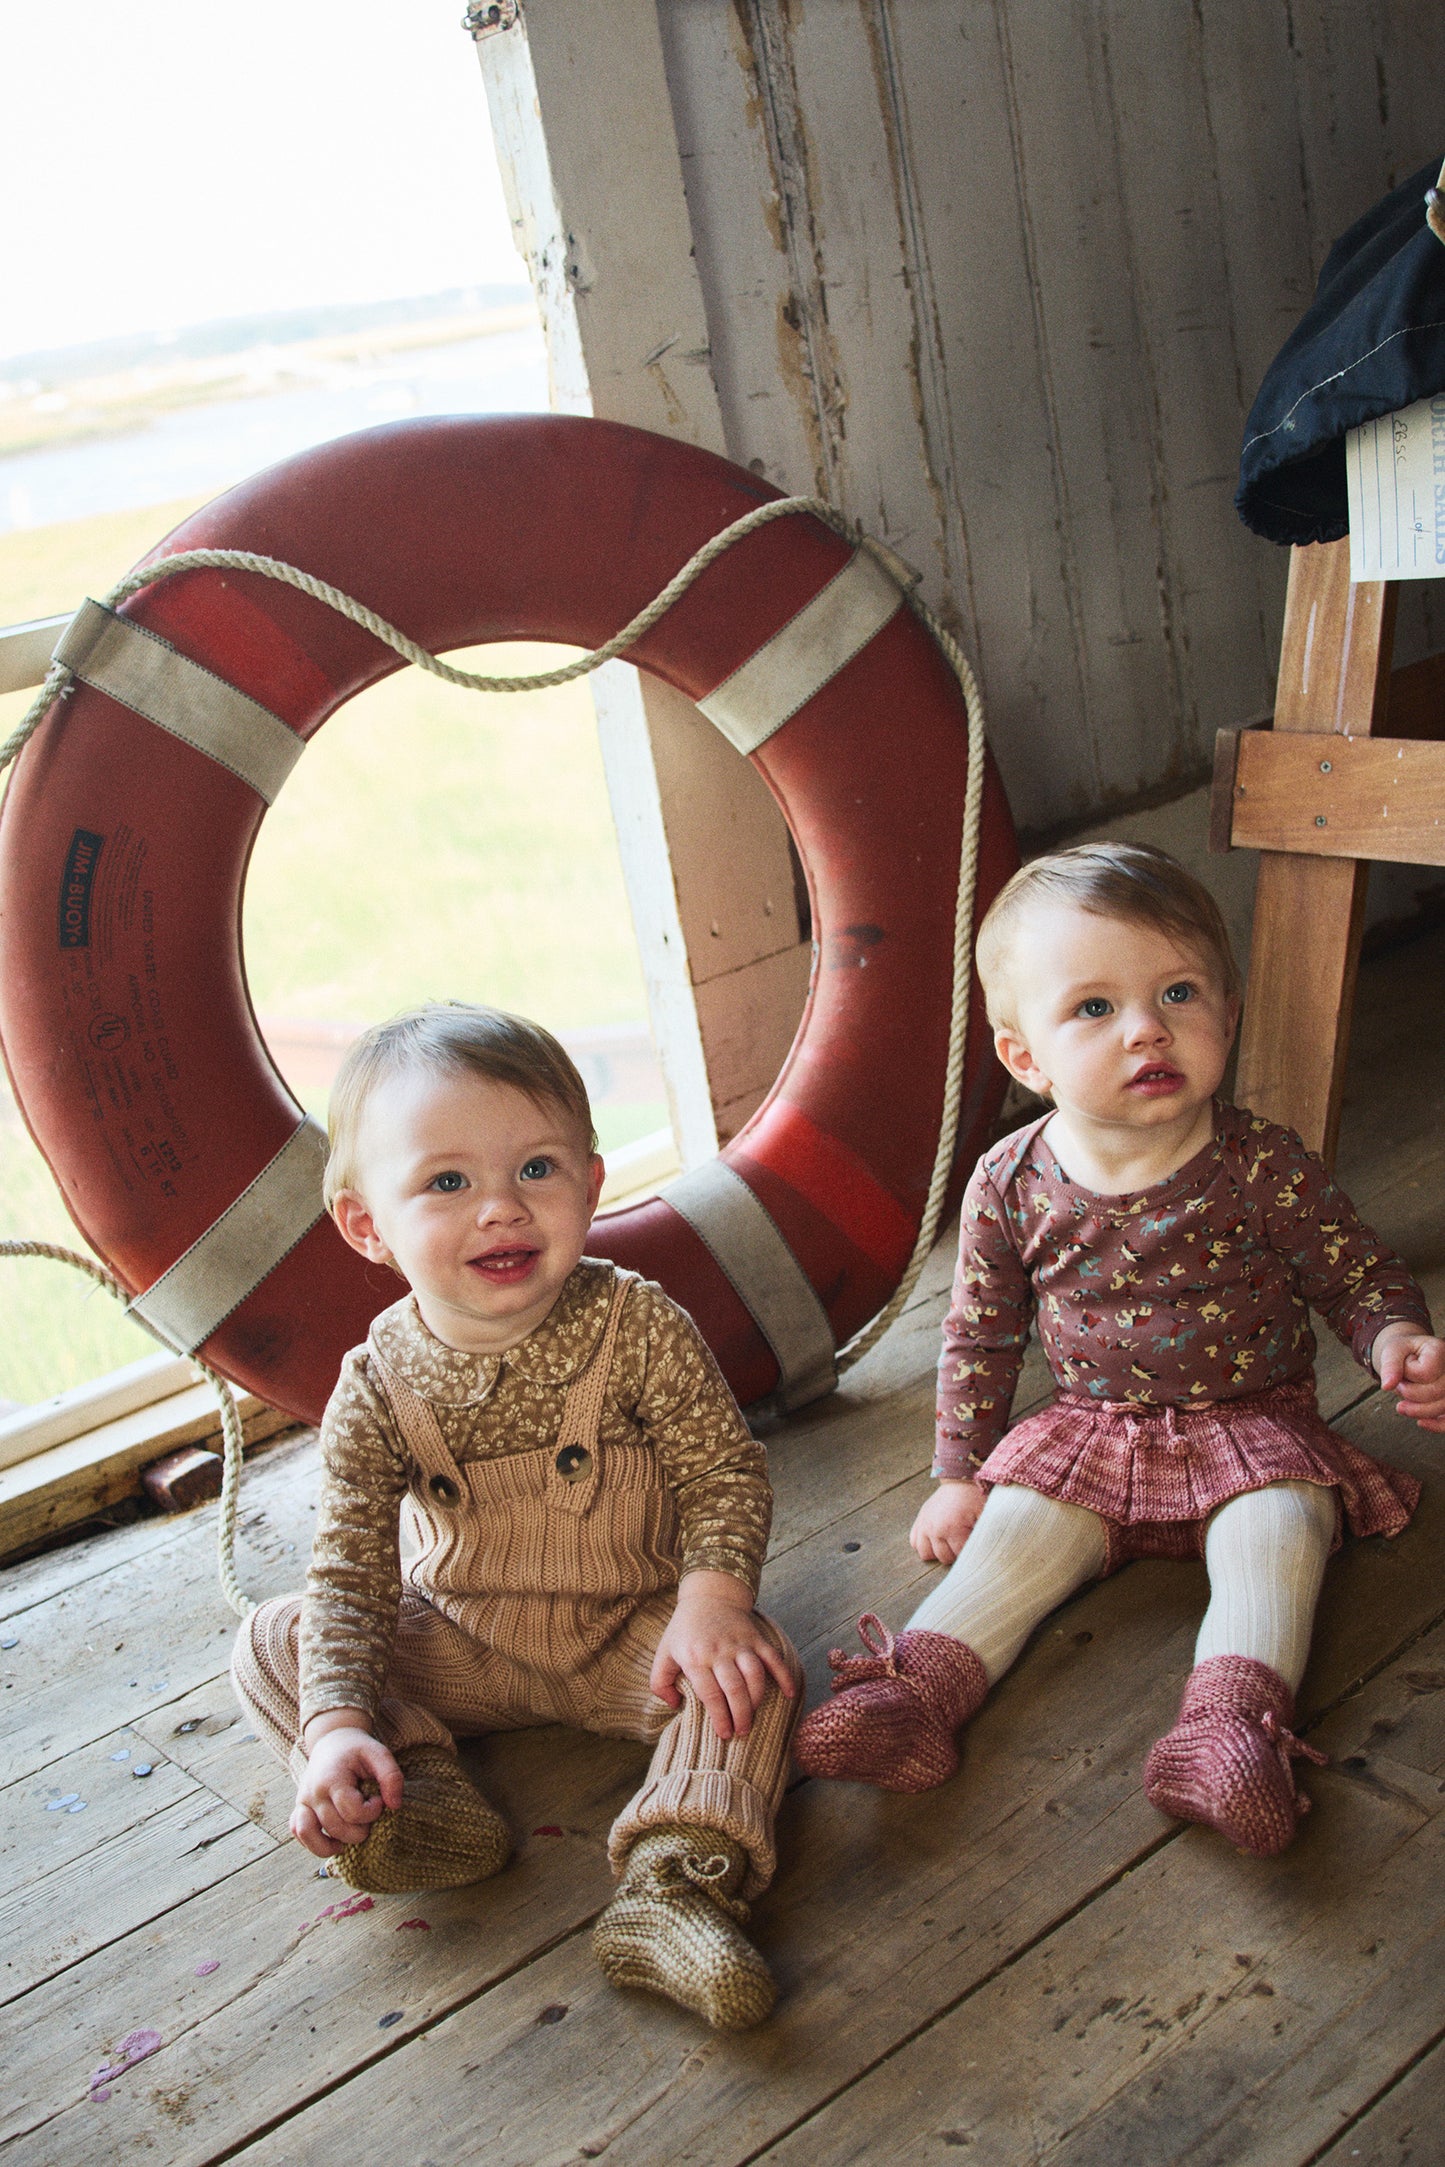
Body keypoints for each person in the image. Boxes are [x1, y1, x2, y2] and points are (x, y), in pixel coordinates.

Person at [795, 843, 1445, 1855]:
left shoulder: (1258, 1164)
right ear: (1024, 1057)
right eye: (1092, 1008)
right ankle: (915, 1692)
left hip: (1251, 1427)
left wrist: (1394, 1336)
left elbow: (1347, 1268)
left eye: (1177, 992)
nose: (1147, 1027)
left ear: (1225, 1014)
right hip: (1089, 1431)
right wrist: (959, 1472)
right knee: (1015, 1532)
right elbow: (978, 1331)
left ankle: (1225, 1729)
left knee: (1277, 1538)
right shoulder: (1008, 1181)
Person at [231, 1003, 800, 2031]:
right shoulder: (374, 1383)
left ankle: (673, 1880)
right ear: (368, 1225)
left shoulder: (636, 1326)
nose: (500, 1208)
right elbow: (352, 1568)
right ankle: (414, 1793)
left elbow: (722, 1471)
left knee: (754, 1674)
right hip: (459, 1639)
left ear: (589, 1183)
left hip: (628, 1633)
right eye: (447, 1182)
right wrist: (332, 1725)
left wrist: (710, 1600)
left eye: (535, 1169)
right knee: (274, 1638)